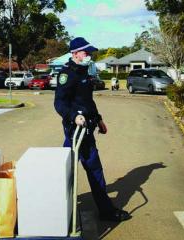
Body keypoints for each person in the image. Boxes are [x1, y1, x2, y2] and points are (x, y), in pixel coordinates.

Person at [54, 37, 131, 222]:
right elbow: (59, 102)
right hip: (76, 130)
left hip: (87, 129)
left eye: (89, 52)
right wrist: (74, 116)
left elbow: (88, 102)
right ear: (75, 54)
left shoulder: (84, 72)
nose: (89, 55)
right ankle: (57, 206)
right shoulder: (67, 74)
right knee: (79, 168)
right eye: (85, 52)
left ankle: (59, 205)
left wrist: (99, 119)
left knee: (71, 167)